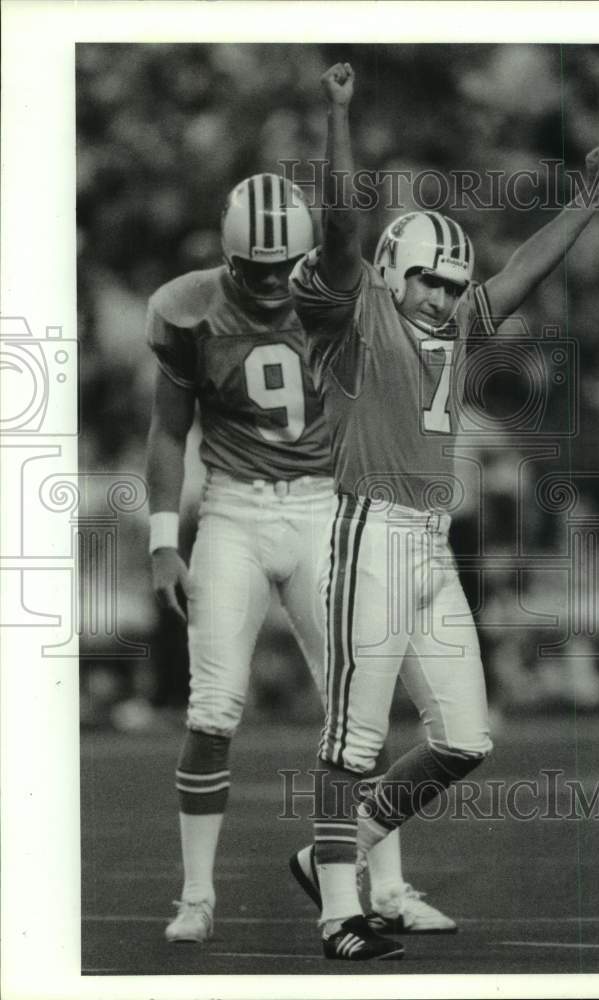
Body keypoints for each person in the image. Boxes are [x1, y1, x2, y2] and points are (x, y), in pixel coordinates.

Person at [288, 62, 599, 961]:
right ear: (392, 271)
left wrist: (587, 203)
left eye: (448, 283)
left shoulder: (459, 323)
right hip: (370, 532)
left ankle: (335, 856)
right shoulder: (355, 314)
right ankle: (337, 914)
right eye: (427, 280)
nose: (440, 296)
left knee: (467, 740)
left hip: (433, 546)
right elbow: (341, 222)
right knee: (351, 741)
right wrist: (339, 117)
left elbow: (520, 274)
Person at [145, 172, 457, 945]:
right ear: (229, 257)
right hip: (235, 510)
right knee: (213, 707)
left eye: (284, 266)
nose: (272, 282)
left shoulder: (344, 299)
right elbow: (166, 428)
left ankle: (383, 887)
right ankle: (195, 896)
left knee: (359, 705)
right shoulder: (187, 308)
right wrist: (160, 538)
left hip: (326, 508)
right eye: (255, 269)